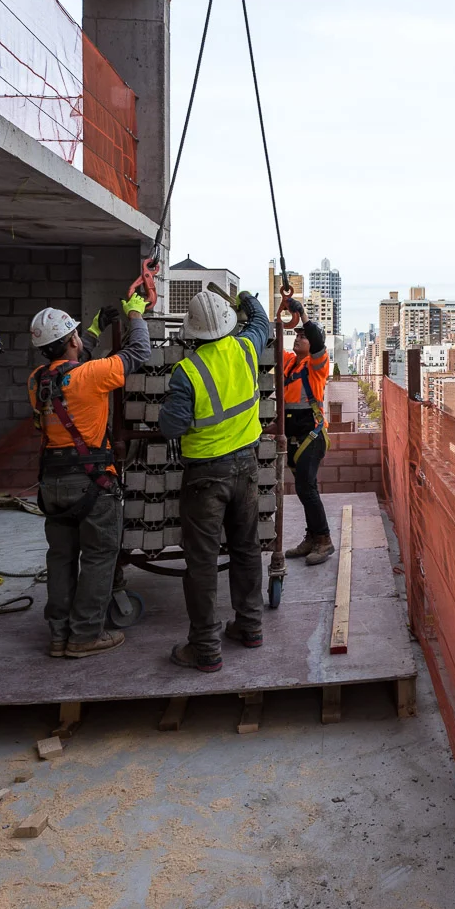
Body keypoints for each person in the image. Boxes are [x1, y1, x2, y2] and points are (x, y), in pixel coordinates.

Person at [28, 294, 150, 659]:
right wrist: (136, 314)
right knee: (99, 557)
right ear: (71, 342)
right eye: (77, 335)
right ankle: (84, 635)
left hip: (52, 484)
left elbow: (69, 368)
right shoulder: (91, 378)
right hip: (93, 483)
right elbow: (138, 353)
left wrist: (93, 329)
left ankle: (59, 633)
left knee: (61, 557)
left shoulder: (37, 382)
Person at [158, 287, 270, 673]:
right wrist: (247, 299)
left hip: (205, 476)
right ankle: (250, 626)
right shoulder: (246, 350)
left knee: (202, 562)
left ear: (193, 332)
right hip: (247, 469)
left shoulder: (186, 372)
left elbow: (170, 427)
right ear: (227, 322)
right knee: (246, 549)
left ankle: (205, 647)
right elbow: (261, 323)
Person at [283, 317, 333, 565]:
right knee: (304, 489)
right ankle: (313, 536)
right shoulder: (290, 363)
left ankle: (323, 540)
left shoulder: (317, 366)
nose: (298, 337)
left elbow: (317, 337)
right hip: (296, 435)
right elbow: (269, 343)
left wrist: (303, 315)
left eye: (303, 336)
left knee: (306, 488)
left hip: (312, 436)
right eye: (296, 334)